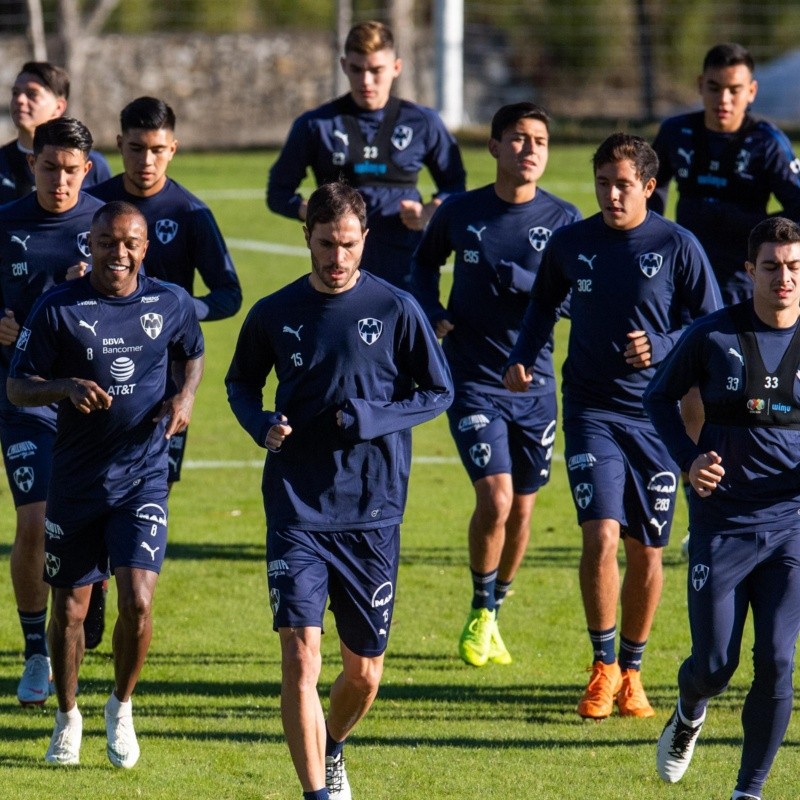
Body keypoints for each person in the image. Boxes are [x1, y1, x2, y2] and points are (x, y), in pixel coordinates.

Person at [226, 182, 452, 799]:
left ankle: (334, 744)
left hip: (372, 510)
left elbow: (438, 392)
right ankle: (316, 793)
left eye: (348, 244)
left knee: (366, 674)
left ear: (365, 240)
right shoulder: (273, 312)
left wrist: (373, 417)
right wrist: (260, 424)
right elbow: (241, 384)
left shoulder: (397, 308)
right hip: (297, 507)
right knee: (301, 658)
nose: (336, 257)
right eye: (325, 244)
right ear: (307, 237)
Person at [503, 133, 721, 719]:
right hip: (591, 408)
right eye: (603, 183)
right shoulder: (572, 244)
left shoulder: (678, 245)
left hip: (656, 416)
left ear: (649, 186)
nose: (611, 194)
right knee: (600, 533)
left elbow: (711, 323)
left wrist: (663, 343)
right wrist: (521, 356)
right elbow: (543, 305)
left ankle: (632, 670)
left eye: (623, 184)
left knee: (646, 551)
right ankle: (600, 667)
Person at [7, 200, 204, 767]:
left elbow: (193, 352)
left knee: (138, 601)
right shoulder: (57, 308)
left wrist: (184, 397)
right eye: (107, 242)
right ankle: (68, 717)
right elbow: (19, 388)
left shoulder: (169, 302)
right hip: (75, 480)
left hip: (143, 475)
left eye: (131, 243)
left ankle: (121, 706)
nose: (119, 253)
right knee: (70, 611)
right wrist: (65, 386)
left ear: (145, 247)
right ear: (89, 245)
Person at [410, 102, 581, 667]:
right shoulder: (461, 211)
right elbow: (422, 266)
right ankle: (480, 609)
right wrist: (432, 310)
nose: (529, 150)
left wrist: (530, 281)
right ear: (493, 147)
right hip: (473, 377)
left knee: (525, 511)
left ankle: (495, 613)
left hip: (535, 384)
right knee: (497, 497)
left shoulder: (565, 220)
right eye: (517, 139)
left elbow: (583, 297)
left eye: (539, 141)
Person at [644, 217, 800, 800]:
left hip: (792, 526)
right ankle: (689, 710)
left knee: (778, 662)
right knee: (714, 665)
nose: (783, 277)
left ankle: (748, 791)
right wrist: (687, 460)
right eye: (771, 266)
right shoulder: (712, 335)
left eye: (793, 267)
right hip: (723, 524)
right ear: (749, 271)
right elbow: (657, 396)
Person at [85, 96, 242, 647]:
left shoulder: (192, 214)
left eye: (156, 150)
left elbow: (228, 294)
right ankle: (94, 581)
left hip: (166, 390)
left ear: (173, 149)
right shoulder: (93, 205)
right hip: (92, 380)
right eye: (134, 149)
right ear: (119, 145)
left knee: (148, 494)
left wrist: (175, 307)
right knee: (87, 487)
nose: (145, 161)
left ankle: (120, 585)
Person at [0, 116, 104, 706]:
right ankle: (36, 650)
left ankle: (86, 621)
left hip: (95, 405)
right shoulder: (6, 224)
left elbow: (149, 302)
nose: (59, 181)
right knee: (35, 519)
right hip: (26, 400)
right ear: (31, 164)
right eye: (49, 167)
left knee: (93, 525)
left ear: (86, 171)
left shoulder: (106, 225)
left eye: (71, 171)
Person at [267, 20, 466, 289]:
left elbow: (455, 185)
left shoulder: (423, 122)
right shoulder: (316, 125)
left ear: (396, 67)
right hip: (338, 273)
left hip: (408, 272)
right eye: (357, 69)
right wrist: (311, 212)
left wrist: (429, 211)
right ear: (343, 65)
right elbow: (278, 192)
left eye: (376, 70)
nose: (366, 81)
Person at [650, 43, 800, 306]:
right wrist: (654, 241)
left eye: (734, 90)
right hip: (683, 275)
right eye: (714, 88)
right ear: (700, 85)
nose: (724, 99)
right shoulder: (675, 132)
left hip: (741, 282)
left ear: (752, 91)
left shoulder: (767, 142)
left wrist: (751, 226)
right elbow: (649, 191)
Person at [0, 61, 111, 206]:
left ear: (58, 107)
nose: (19, 100)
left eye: (32, 94)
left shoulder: (95, 165)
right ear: (32, 162)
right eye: (15, 93)